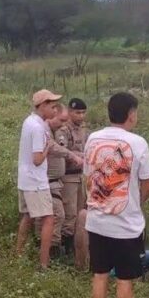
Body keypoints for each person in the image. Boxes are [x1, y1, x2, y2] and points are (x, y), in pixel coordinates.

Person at [84, 92, 149, 298]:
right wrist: (136, 203)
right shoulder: (138, 143)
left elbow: (89, 178)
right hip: (127, 227)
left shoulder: (92, 139)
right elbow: (148, 185)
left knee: (99, 276)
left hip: (96, 222)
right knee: (125, 282)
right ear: (131, 115)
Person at [16, 89, 62, 270]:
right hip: (36, 181)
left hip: (25, 179)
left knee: (27, 217)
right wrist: (47, 148)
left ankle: (18, 254)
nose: (55, 110)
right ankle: (44, 264)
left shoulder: (29, 121)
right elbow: (37, 160)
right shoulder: (38, 128)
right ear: (42, 106)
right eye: (52, 106)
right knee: (49, 219)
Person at [34, 105, 83, 256]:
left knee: (57, 215)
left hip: (55, 181)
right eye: (61, 120)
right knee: (57, 215)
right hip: (47, 181)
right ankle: (49, 251)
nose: (63, 124)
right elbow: (55, 148)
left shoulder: (49, 131)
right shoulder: (43, 131)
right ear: (52, 114)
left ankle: (53, 250)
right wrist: (73, 155)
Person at [59, 97, 89, 255]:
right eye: (78, 112)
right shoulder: (64, 130)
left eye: (83, 113)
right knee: (69, 213)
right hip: (68, 176)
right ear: (70, 112)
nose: (81, 116)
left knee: (80, 212)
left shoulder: (82, 128)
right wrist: (81, 156)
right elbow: (63, 152)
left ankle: (77, 247)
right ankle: (65, 246)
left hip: (80, 176)